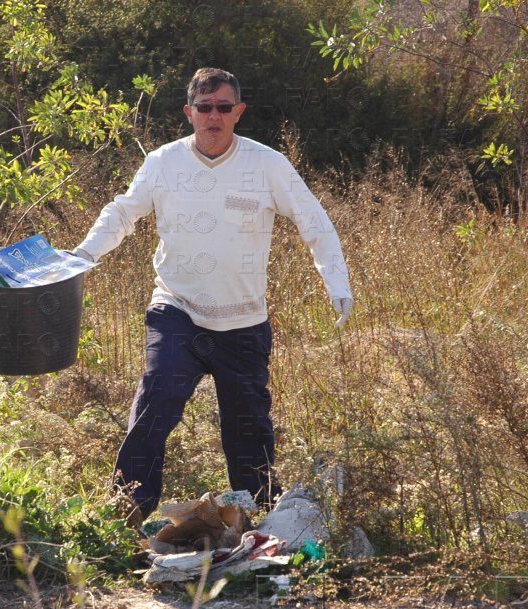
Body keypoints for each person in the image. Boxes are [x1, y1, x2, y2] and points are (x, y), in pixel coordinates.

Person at [71, 68, 353, 524]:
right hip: (176, 308)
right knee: (156, 399)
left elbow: (313, 221)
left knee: (249, 428)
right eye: (205, 108)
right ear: (189, 112)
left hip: (243, 321)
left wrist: (336, 281)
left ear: (239, 112)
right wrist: (83, 256)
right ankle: (126, 514)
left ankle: (259, 520)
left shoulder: (268, 165)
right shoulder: (163, 163)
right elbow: (122, 213)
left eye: (224, 107)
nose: (214, 116)